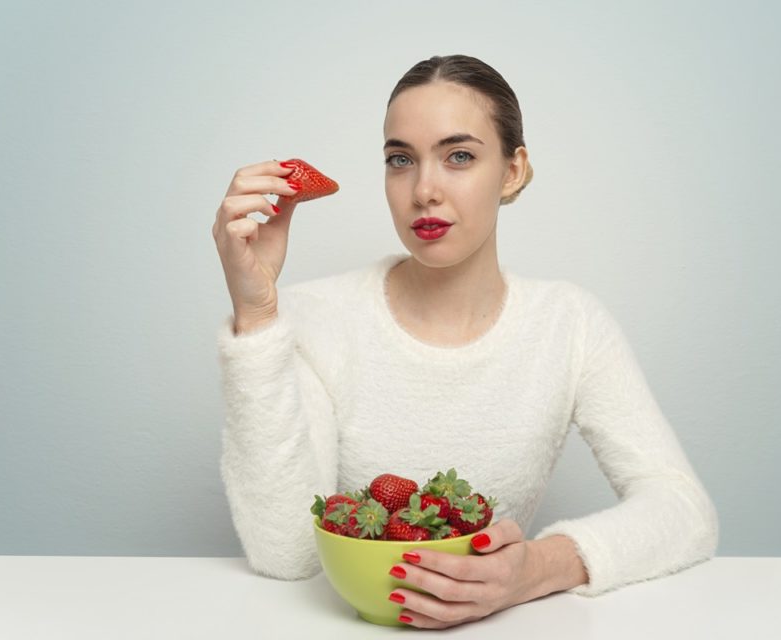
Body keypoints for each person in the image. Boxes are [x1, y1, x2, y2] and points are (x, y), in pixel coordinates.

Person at [211, 54, 719, 630]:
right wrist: (256, 315)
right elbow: (288, 556)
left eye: (459, 156)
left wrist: (537, 568)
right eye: (400, 160)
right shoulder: (310, 317)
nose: (424, 190)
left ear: (512, 171)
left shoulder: (569, 323)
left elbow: (683, 511)